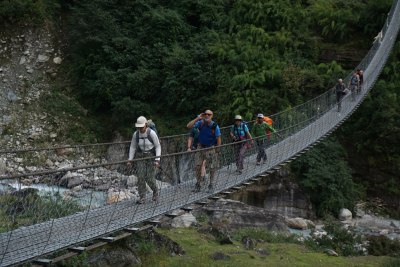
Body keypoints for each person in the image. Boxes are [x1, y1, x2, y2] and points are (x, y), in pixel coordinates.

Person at [127, 116, 161, 204]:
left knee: (149, 177)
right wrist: (130, 159)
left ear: (146, 125)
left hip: (151, 157)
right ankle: (142, 197)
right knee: (140, 177)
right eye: (139, 127)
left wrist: (157, 160)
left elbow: (158, 146)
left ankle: (155, 192)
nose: (140, 129)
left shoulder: (152, 133)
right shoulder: (136, 134)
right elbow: (133, 146)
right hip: (141, 156)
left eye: (141, 127)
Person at [187, 110, 221, 192]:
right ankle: (198, 184)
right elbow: (189, 126)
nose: (207, 116)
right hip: (200, 147)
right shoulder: (200, 123)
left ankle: (211, 185)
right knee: (197, 166)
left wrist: (217, 150)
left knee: (212, 167)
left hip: (210, 148)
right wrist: (197, 118)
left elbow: (218, 138)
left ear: (212, 115)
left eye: (209, 114)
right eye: (205, 114)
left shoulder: (214, 126)